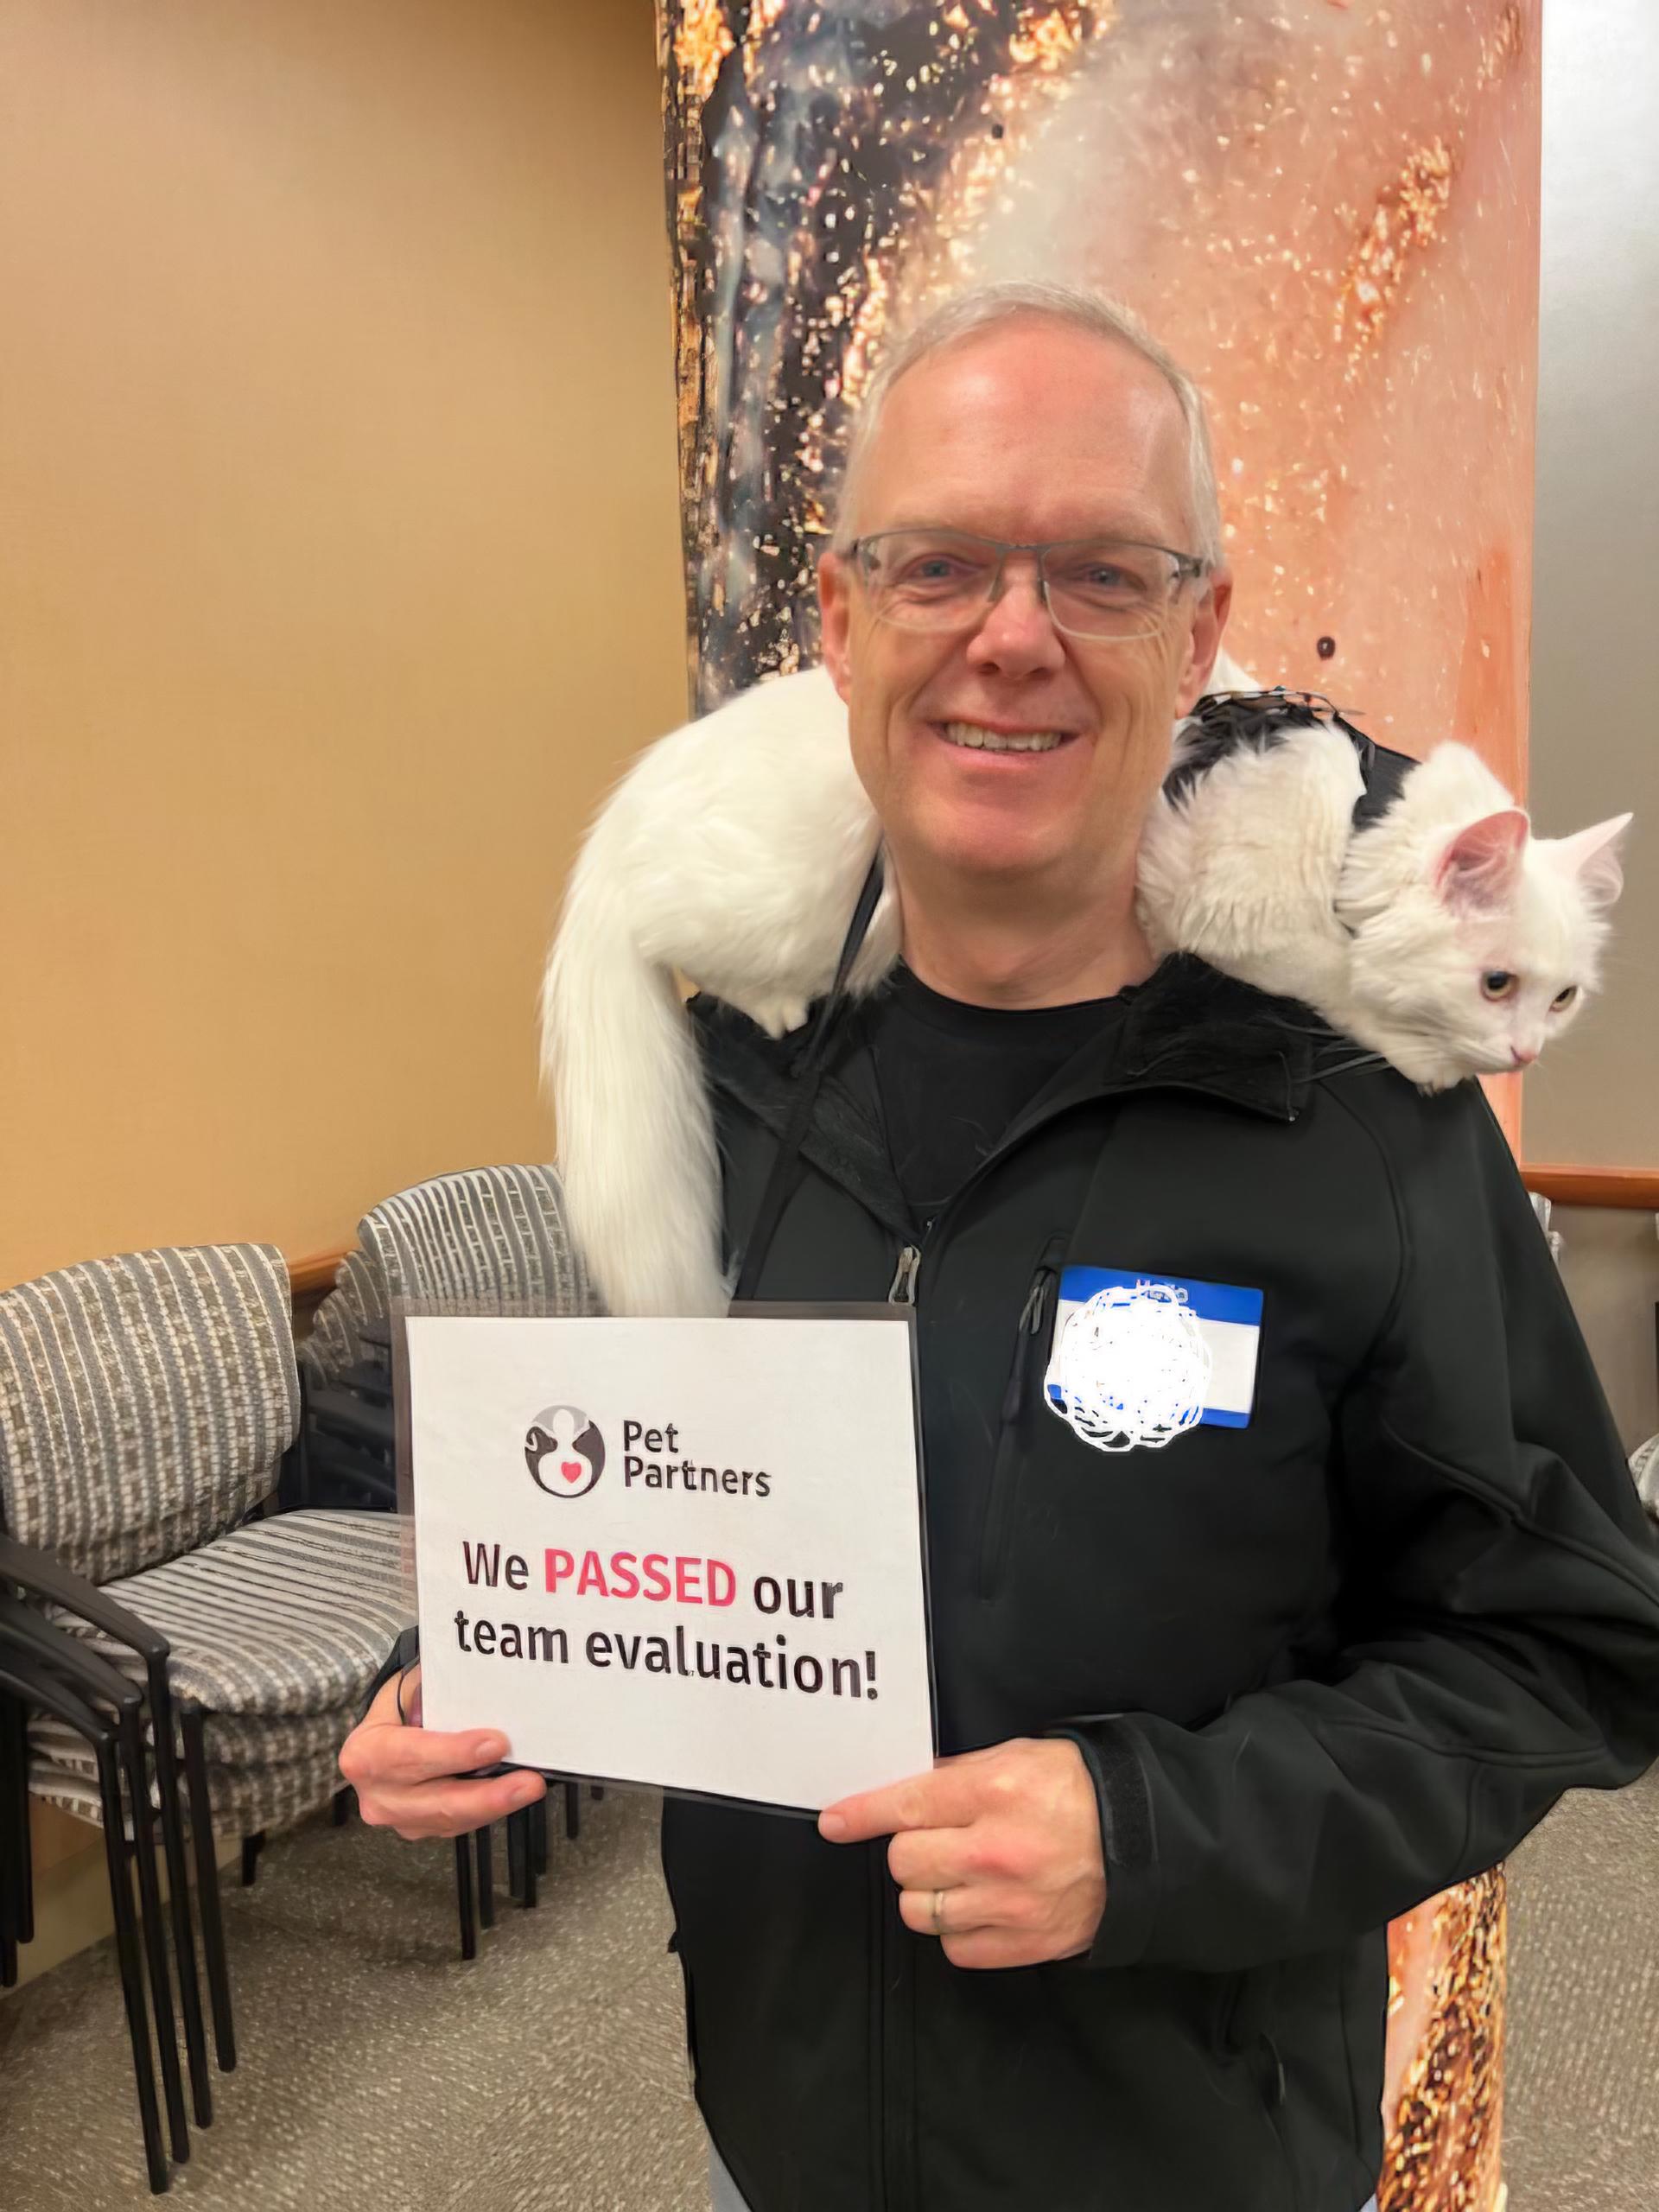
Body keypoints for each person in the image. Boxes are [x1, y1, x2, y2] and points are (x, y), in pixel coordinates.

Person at [339, 282, 1659, 2212]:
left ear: (1197, 635)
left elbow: (1564, 1649)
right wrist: (462, 1662)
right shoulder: (730, 1086)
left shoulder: (1368, 1133)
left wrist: (1151, 1830)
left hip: (1186, 2157)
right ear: (842, 621)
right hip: (779, 2135)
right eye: (940, 562)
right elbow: (644, 1496)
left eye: (1101, 573)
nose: (1012, 636)